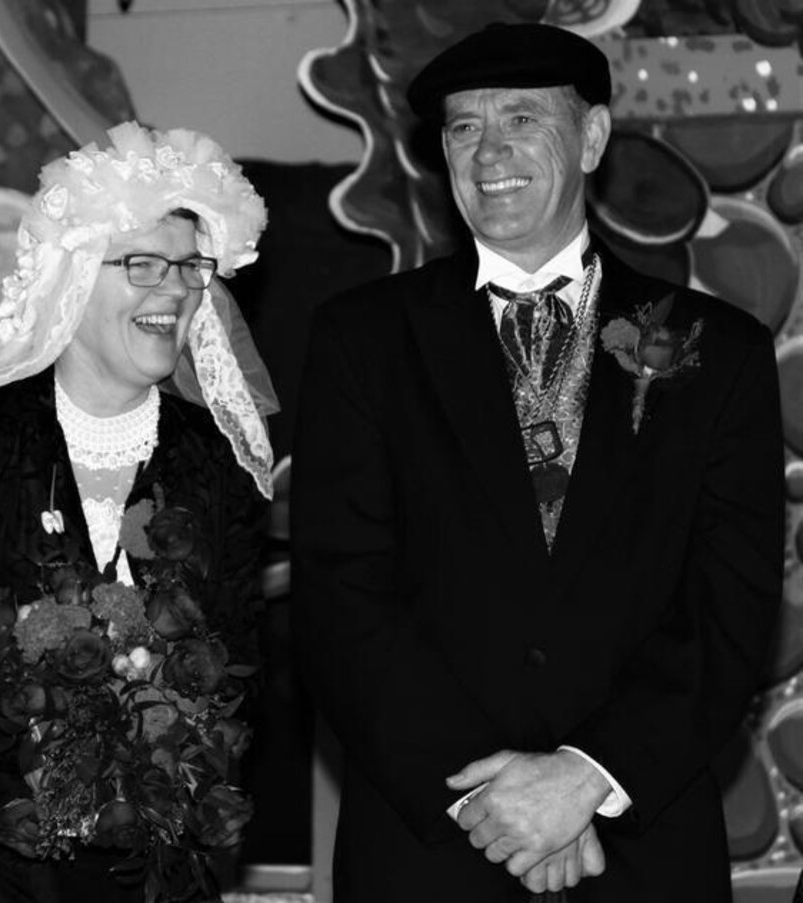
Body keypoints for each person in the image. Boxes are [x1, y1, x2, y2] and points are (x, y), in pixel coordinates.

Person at [291, 21, 784, 903]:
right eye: (464, 127)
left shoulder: (721, 351)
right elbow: (339, 596)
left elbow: (730, 605)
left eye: (522, 119)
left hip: (642, 850)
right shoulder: (360, 341)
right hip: (430, 848)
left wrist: (587, 775)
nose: (490, 153)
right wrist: (494, 801)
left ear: (591, 138)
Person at [0, 122, 275, 902]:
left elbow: (238, 666)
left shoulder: (216, 461)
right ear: (72, 274)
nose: (175, 288)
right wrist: (42, 726)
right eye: (143, 263)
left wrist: (159, 739)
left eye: (190, 266)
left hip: (139, 879)